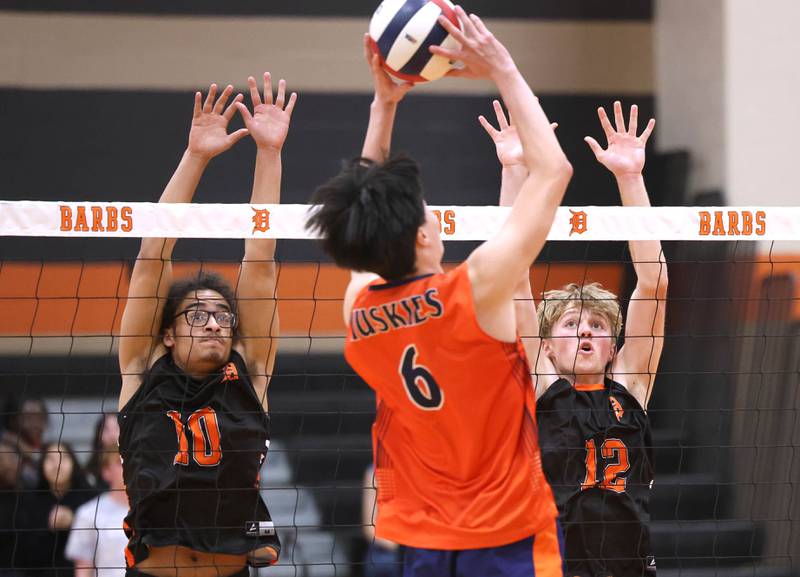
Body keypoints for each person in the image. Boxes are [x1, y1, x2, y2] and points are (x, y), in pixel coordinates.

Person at [307, 9, 572, 575]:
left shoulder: (359, 313)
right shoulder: (475, 291)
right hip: (510, 536)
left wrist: (384, 105)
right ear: (425, 238)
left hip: (423, 542)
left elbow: (362, 212)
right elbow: (553, 171)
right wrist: (501, 63)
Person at [117, 75, 296, 577]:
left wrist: (269, 153)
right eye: (198, 315)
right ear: (168, 333)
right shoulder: (141, 369)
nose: (215, 324)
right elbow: (153, 255)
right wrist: (196, 156)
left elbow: (260, 259)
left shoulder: (251, 372)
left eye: (222, 316)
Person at [516, 102, 666, 576]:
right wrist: (517, 169)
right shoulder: (542, 386)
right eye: (571, 324)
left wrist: (630, 177)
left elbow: (654, 283)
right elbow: (514, 276)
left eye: (598, 325)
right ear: (545, 346)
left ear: (614, 346)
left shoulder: (630, 385)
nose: (585, 330)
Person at [15, 442, 96, 577]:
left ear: (73, 463)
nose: (56, 465)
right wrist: (48, 527)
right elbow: (23, 554)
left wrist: (75, 522)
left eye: (63, 458)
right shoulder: (29, 500)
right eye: (50, 459)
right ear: (42, 465)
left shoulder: (90, 498)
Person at [65, 448, 129, 577]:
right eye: (119, 462)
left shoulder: (155, 511)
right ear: (106, 471)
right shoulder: (88, 513)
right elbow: (83, 569)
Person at [0, 395, 49, 488]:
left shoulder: (49, 448)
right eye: (28, 417)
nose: (35, 424)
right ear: (13, 421)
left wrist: (28, 451)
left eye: (40, 417)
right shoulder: (5, 449)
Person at [361, 465, 401, 577]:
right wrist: (400, 547)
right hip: (385, 553)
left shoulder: (419, 468)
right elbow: (369, 530)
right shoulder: (374, 472)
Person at [85, 413, 120, 490]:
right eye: (106, 429)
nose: (112, 435)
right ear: (98, 434)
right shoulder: (89, 473)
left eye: (116, 428)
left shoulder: (136, 466)